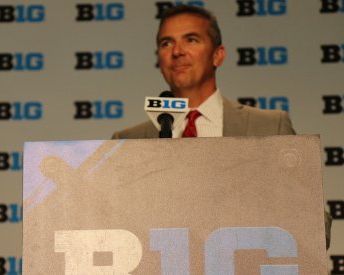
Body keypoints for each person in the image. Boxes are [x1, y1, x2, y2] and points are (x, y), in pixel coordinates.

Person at [112, 4, 331, 249]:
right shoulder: (127, 141)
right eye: (166, 43)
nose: (177, 51)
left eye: (191, 40)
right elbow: (112, 229)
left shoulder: (269, 126)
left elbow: (313, 222)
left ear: (218, 55)